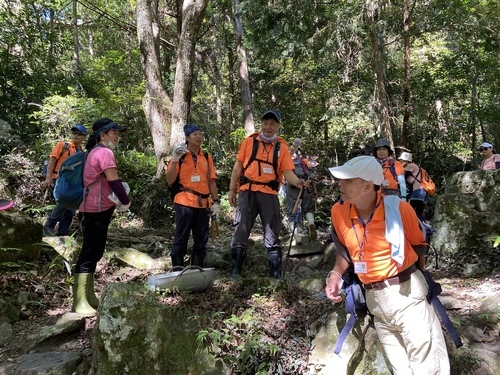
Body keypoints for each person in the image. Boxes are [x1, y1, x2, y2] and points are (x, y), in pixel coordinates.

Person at [325, 155, 450, 374]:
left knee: (427, 365)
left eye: (347, 179)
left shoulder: (399, 209)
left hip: (407, 294)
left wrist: (419, 282)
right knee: (400, 367)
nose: (339, 184)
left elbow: (419, 246)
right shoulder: (339, 212)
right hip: (375, 302)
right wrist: (335, 274)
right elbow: (345, 252)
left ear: (367, 186)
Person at [228, 109, 309, 279]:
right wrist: (232, 189)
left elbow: (288, 173)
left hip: (268, 193)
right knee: (241, 229)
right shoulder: (249, 142)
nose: (268, 127)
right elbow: (237, 167)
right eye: (265, 123)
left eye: (272, 124)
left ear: (278, 126)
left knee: (272, 231)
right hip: (247, 191)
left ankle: (275, 274)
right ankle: (235, 272)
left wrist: (298, 182)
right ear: (261, 124)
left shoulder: (282, 148)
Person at [72, 118, 130, 316]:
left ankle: (88, 296)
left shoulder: (93, 152)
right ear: (102, 135)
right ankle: (79, 302)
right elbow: (114, 181)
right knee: (90, 250)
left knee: (95, 249)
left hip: (92, 207)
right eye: (114, 132)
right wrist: (126, 200)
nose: (117, 135)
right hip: (95, 209)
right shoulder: (104, 152)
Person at [165, 124, 220, 269]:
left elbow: (211, 181)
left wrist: (216, 202)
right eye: (195, 134)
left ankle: (196, 270)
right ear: (187, 137)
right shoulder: (180, 155)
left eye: (200, 134)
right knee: (181, 236)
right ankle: (177, 270)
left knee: (201, 239)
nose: (199, 137)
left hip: (203, 204)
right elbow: (170, 180)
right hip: (184, 201)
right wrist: (175, 159)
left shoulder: (206, 157)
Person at [42, 124, 88, 236]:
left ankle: (63, 232)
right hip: (57, 179)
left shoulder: (81, 151)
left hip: (71, 183)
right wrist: (48, 178)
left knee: (71, 207)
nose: (76, 135)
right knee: (64, 201)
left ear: (84, 137)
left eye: (79, 134)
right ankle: (49, 226)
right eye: (74, 133)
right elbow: (52, 161)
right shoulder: (63, 146)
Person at [285, 138, 318, 243]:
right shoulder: (305, 162)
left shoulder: (287, 160)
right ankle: (311, 223)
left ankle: (297, 237)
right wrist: (315, 190)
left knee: (292, 214)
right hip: (306, 186)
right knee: (308, 209)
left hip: (292, 186)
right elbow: (312, 176)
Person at [398, 152, 427, 222]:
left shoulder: (410, 166)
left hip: (418, 191)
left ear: (405, 160)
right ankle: (425, 227)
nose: (400, 162)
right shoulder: (415, 167)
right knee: (419, 212)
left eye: (401, 160)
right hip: (423, 192)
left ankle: (419, 227)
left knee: (411, 210)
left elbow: (403, 179)